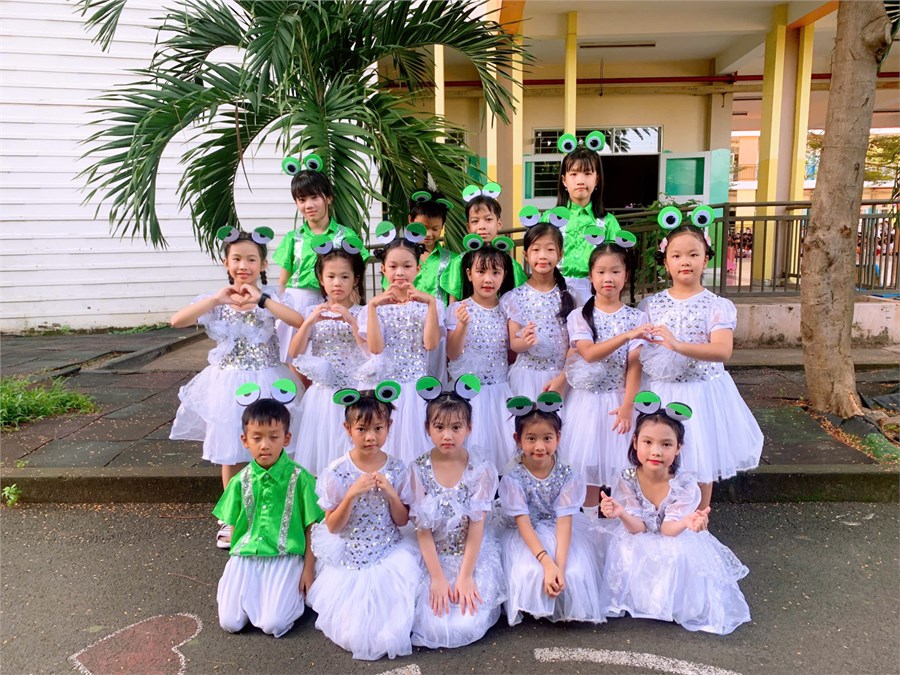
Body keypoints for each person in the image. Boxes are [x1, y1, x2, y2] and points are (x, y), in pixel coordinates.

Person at [170, 226, 304, 548]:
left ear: (263, 264)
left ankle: (274, 512)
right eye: (237, 259)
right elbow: (177, 321)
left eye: (251, 259)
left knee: (273, 445)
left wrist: (263, 300)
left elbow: (298, 321)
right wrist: (216, 298)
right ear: (226, 262)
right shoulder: (217, 301)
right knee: (230, 451)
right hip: (228, 383)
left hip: (269, 378)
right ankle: (233, 516)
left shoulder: (272, 298)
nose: (244, 265)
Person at [639, 206, 763, 509]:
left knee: (700, 459)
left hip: (701, 393)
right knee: (658, 456)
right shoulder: (650, 305)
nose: (685, 261)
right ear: (666, 262)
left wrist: (678, 345)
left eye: (693, 254)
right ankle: (661, 518)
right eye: (677, 255)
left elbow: (722, 350)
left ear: (706, 259)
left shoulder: (716, 305)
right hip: (659, 390)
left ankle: (698, 521)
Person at [598, 393, 751, 635]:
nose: (656, 451)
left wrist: (686, 522)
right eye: (648, 442)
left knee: (677, 553)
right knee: (626, 547)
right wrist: (621, 513)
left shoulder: (685, 483)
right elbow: (638, 528)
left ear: (679, 448)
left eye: (666, 444)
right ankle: (642, 599)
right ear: (635, 442)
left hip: (674, 532)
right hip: (639, 531)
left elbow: (668, 530)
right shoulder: (626, 478)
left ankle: (670, 603)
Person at [307, 383, 420, 661]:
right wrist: (351, 495)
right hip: (351, 553)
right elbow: (333, 526)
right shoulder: (337, 471)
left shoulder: (397, 468)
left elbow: (402, 520)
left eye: (378, 428)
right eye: (362, 429)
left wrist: (391, 492)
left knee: (391, 626)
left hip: (390, 550)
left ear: (389, 426)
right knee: (355, 633)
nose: (371, 437)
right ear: (348, 429)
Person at [214, 397, 324, 638]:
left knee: (274, 623)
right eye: (257, 438)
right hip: (246, 556)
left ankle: (282, 597)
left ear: (286, 438)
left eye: (274, 437)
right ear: (245, 440)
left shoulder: (301, 478)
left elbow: (313, 527)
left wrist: (308, 569)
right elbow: (232, 526)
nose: (265, 445)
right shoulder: (239, 481)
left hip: (284, 557)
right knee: (230, 622)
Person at [409, 379, 505, 649]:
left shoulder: (480, 469)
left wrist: (465, 576)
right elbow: (422, 529)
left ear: (469, 428)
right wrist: (437, 578)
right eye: (439, 427)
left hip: (469, 555)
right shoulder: (418, 469)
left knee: (465, 624)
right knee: (433, 625)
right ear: (428, 428)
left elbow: (477, 525)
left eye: (456, 427)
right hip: (432, 556)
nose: (447, 436)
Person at [497, 393, 609, 626]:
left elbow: (565, 520)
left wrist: (559, 565)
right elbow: (523, 523)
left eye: (547, 438)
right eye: (531, 439)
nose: (540, 446)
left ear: (558, 437)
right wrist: (547, 563)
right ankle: (534, 604)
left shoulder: (568, 474)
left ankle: (561, 593)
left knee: (574, 572)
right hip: (525, 533)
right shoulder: (513, 476)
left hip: (559, 527)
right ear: (518, 439)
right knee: (531, 572)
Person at [560, 239, 651, 512]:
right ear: (591, 276)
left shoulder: (637, 318)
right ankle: (588, 526)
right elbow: (588, 353)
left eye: (615, 271)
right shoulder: (579, 316)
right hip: (585, 403)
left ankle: (619, 527)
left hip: (618, 402)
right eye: (600, 272)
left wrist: (628, 406)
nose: (607, 278)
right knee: (586, 471)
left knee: (621, 472)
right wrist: (626, 336)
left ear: (626, 275)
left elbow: (634, 366)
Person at [273, 159, 369, 363]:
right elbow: (283, 281)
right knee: (293, 360)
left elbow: (356, 276)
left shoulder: (346, 236)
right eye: (301, 199)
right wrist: (277, 308)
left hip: (335, 302)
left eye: (314, 197)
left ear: (329, 198)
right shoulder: (293, 238)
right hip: (296, 303)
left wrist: (352, 309)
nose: (308, 205)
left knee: (328, 358)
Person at [359, 233, 443, 462]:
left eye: (407, 266)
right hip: (386, 388)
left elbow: (431, 344)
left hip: (417, 388)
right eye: (393, 266)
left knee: (416, 450)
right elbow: (376, 348)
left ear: (418, 269)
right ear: (383, 269)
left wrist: (430, 303)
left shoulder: (431, 304)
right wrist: (373, 307)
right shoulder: (374, 307)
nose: (400, 272)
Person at [288, 234, 368, 475]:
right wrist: (309, 322)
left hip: (354, 390)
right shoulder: (311, 311)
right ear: (321, 280)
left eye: (345, 277)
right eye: (331, 276)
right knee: (322, 449)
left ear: (355, 279)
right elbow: (294, 352)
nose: (337, 283)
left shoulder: (363, 312)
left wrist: (352, 321)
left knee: (352, 450)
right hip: (322, 395)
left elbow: (369, 351)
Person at [445, 238, 517, 472]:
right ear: (469, 274)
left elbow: (513, 350)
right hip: (468, 395)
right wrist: (462, 325)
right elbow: (452, 353)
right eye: (481, 271)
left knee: (503, 456)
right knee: (469, 460)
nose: (488, 279)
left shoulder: (508, 310)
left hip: (499, 392)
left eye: (495, 272)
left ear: (504, 275)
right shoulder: (457, 309)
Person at [501, 222, 575, 399]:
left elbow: (576, 344)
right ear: (526, 255)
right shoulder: (514, 297)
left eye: (550, 249)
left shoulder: (571, 295)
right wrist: (525, 342)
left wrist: (562, 378)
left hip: (561, 378)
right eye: (536, 250)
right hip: (526, 378)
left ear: (560, 254)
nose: (542, 256)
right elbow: (514, 344)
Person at [550, 131, 620, 302]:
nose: (580, 180)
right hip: (555, 292)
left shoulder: (608, 222)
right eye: (574, 174)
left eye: (587, 173)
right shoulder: (550, 219)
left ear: (597, 179)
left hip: (596, 293)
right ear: (564, 180)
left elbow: (617, 262)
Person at [439, 187, 528, 302]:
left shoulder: (510, 264)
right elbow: (453, 303)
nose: (482, 226)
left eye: (488, 219)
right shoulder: (459, 262)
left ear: (499, 223)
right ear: (468, 227)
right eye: (475, 221)